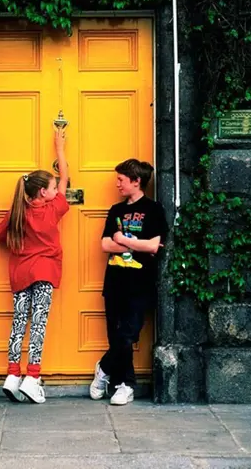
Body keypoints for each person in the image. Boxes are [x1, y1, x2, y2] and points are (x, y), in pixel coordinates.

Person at [0, 128, 69, 404]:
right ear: (44, 192)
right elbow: (66, 177)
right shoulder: (52, 209)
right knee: (38, 324)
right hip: (43, 274)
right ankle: (32, 377)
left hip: (19, 274)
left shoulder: (17, 212)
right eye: (52, 188)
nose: (57, 190)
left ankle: (11, 374)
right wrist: (59, 147)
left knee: (19, 323)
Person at [89, 158, 168, 405]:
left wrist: (123, 239)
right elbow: (105, 244)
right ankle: (123, 384)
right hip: (114, 281)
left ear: (137, 181)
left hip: (141, 283)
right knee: (116, 336)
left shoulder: (154, 209)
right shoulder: (116, 210)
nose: (117, 184)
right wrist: (138, 245)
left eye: (121, 180)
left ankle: (104, 369)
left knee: (128, 335)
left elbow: (154, 245)